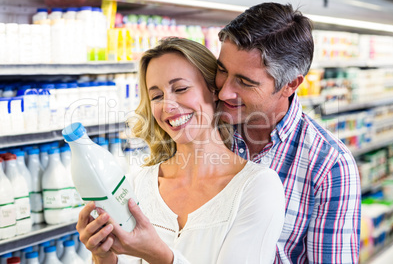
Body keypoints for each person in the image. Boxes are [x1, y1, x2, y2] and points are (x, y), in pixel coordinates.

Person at [76, 37, 285, 264]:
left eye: (181, 88)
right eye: (157, 96)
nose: (167, 105)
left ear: (214, 90)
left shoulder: (257, 186)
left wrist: (158, 255)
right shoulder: (141, 182)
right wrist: (103, 256)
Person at [215, 2, 361, 264]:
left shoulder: (329, 165)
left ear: (290, 85)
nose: (224, 92)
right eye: (222, 70)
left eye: (245, 82)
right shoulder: (201, 127)